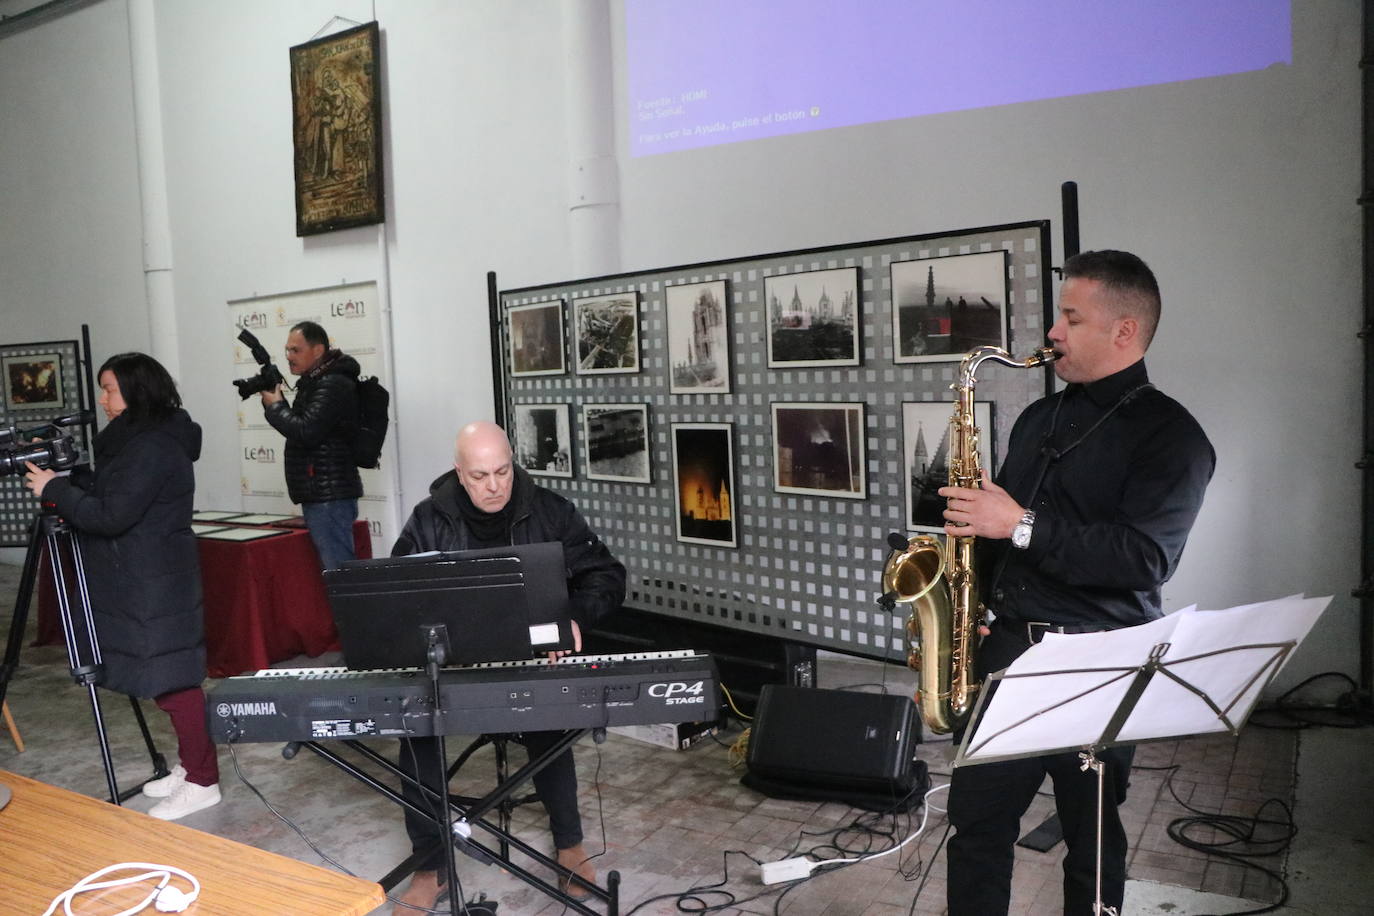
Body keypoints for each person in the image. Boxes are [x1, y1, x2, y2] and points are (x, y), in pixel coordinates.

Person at [936, 250, 1215, 915]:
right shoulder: (1039, 420)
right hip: (1010, 650)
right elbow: (1008, 534)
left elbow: (1144, 558)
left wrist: (1020, 523)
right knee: (976, 827)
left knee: (1092, 846)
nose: (1052, 332)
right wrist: (978, 599)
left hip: (1101, 660)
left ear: (1123, 331)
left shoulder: (1173, 437)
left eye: (1070, 318)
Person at [390, 421, 626, 912]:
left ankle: (571, 845)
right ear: (459, 473)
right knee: (415, 731)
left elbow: (606, 574)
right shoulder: (428, 518)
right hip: (453, 664)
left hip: (532, 655)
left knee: (550, 716)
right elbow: (398, 593)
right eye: (480, 476)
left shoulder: (551, 511)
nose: (495, 485)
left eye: (503, 471)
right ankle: (430, 865)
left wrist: (576, 618)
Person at [24, 352, 220, 821]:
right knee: (162, 677)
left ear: (138, 390)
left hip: (152, 580)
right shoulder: (138, 439)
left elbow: (111, 515)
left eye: (110, 388)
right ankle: (191, 766)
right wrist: (67, 474)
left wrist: (54, 490)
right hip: (141, 576)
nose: (103, 399)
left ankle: (203, 781)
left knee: (173, 681)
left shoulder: (153, 445)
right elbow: (114, 490)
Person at [259, 320, 362, 570]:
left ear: (318, 351)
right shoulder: (316, 382)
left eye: (296, 350)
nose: (289, 356)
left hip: (328, 496)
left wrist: (275, 406)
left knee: (340, 574)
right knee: (336, 572)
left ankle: (350, 611)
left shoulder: (331, 383)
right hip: (323, 493)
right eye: (287, 350)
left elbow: (306, 431)